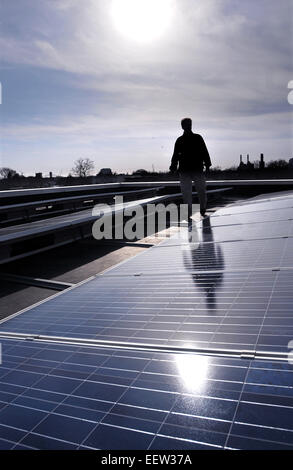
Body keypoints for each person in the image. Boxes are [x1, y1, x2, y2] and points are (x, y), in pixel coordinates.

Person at [169, 117, 211, 218]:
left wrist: (208, 165)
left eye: (189, 124)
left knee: (198, 190)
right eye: (187, 124)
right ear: (183, 126)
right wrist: (173, 167)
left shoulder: (195, 138)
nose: (188, 126)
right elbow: (175, 155)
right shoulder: (184, 139)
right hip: (188, 170)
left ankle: (201, 208)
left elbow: (204, 151)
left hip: (193, 169)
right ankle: (192, 211)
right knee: (189, 192)